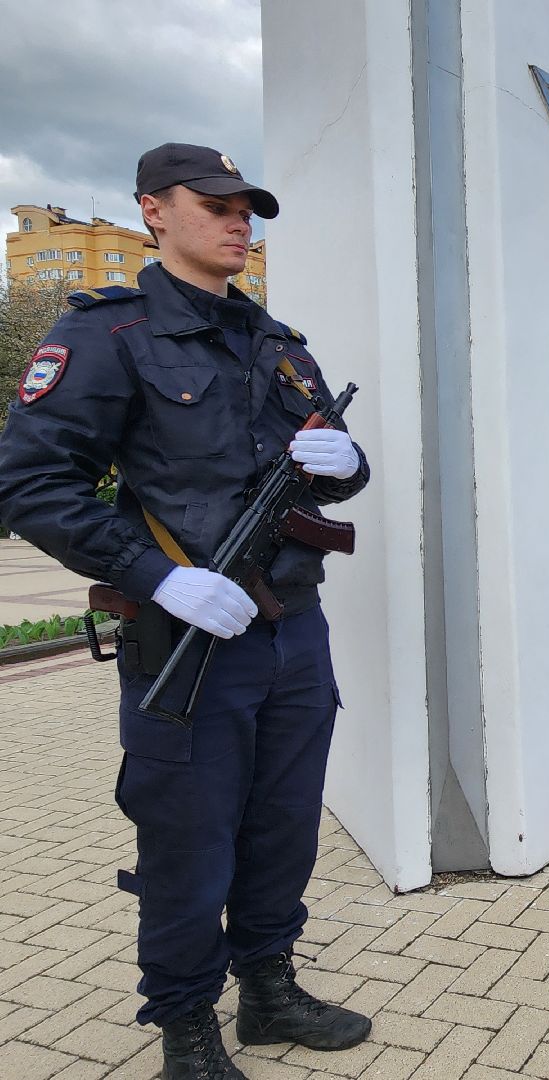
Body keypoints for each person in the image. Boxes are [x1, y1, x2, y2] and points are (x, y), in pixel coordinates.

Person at [0, 144, 372, 1079]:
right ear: (153, 211)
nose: (239, 221)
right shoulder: (108, 335)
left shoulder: (281, 342)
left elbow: (331, 469)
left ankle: (269, 988)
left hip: (293, 628)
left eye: (247, 207)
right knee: (188, 838)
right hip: (188, 636)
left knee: (284, 822)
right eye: (214, 204)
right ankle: (187, 1028)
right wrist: (154, 576)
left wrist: (350, 465)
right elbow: (32, 482)